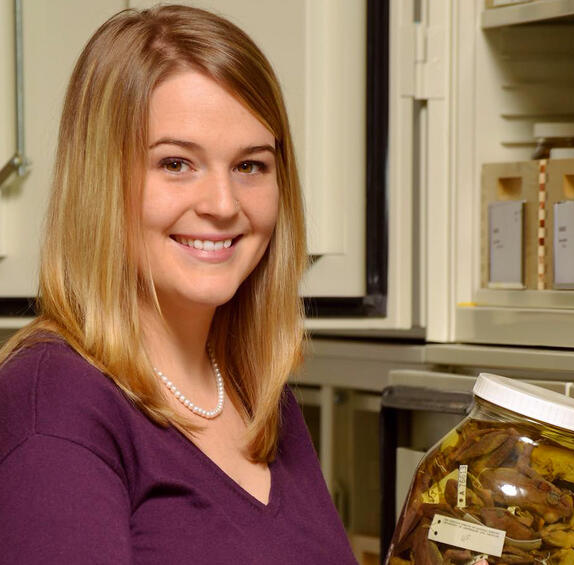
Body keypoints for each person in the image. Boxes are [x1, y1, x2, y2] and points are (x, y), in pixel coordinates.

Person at [0, 5, 357, 563]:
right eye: (175, 164)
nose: (222, 205)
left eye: (250, 166)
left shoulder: (258, 394)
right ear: (101, 181)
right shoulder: (57, 404)